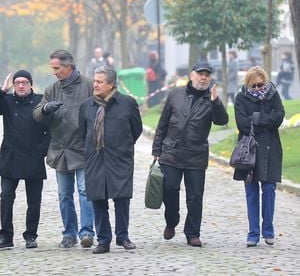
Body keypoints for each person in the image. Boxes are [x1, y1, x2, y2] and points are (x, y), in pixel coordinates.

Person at [152, 62, 228, 247]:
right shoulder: (176, 94)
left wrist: (216, 101)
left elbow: (222, 120)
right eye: (200, 74)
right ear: (191, 75)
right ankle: (172, 220)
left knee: (195, 196)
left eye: (207, 75)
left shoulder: (210, 98)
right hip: (171, 152)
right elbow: (163, 123)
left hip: (196, 155)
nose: (204, 78)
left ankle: (192, 233)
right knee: (169, 189)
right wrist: (156, 150)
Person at [33, 50, 95, 248]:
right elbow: (37, 114)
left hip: (83, 148)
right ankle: (69, 233)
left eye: (56, 68)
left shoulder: (89, 85)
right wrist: (45, 109)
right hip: (60, 150)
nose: (54, 72)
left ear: (68, 66)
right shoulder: (52, 89)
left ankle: (87, 232)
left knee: (85, 191)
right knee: (64, 195)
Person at [79, 65, 142, 254]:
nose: (95, 85)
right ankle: (103, 240)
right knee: (98, 200)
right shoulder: (86, 106)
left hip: (120, 159)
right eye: (94, 81)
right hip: (95, 159)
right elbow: (83, 133)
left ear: (111, 84)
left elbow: (136, 130)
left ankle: (123, 236)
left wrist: (123, 147)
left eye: (99, 81)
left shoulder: (127, 103)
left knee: (122, 199)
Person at [233, 66, 285, 247]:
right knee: (251, 192)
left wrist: (256, 118)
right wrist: (265, 119)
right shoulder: (241, 98)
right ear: (247, 84)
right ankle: (253, 232)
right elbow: (242, 123)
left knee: (269, 190)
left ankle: (268, 230)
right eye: (253, 85)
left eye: (260, 84)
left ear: (265, 82)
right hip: (250, 151)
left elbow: (279, 117)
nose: (256, 88)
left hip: (271, 150)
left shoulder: (273, 95)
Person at [0, 70, 50, 249]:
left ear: (31, 84)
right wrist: (2, 90)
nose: (21, 85)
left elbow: (50, 127)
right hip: (10, 157)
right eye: (18, 82)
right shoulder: (6, 101)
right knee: (6, 198)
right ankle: (5, 236)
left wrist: (42, 149)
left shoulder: (39, 101)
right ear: (13, 85)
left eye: (25, 82)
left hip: (33, 157)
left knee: (34, 201)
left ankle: (31, 235)